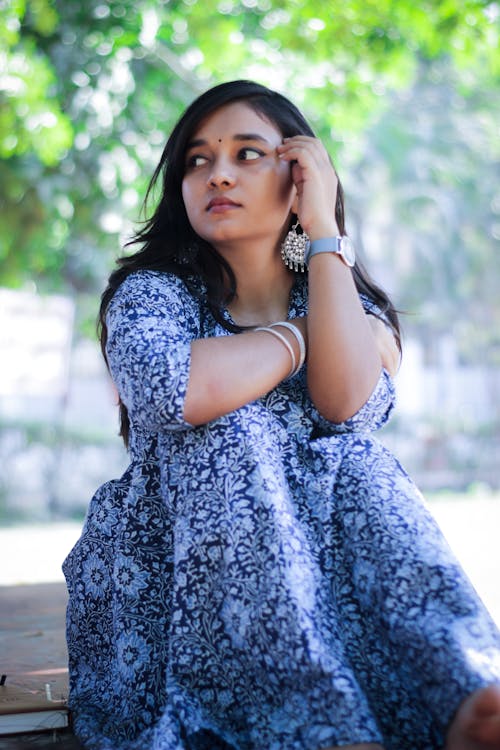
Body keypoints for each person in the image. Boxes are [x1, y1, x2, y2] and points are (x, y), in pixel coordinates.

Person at [63, 80, 500, 750]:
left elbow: (345, 405)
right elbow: (173, 390)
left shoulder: (340, 299)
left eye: (247, 154)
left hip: (328, 571)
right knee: (227, 433)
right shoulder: (152, 293)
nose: (219, 174)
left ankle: (464, 692)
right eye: (198, 160)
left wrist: (323, 233)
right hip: (179, 578)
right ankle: (309, 726)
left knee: (358, 461)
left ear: (299, 180)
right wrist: (299, 339)